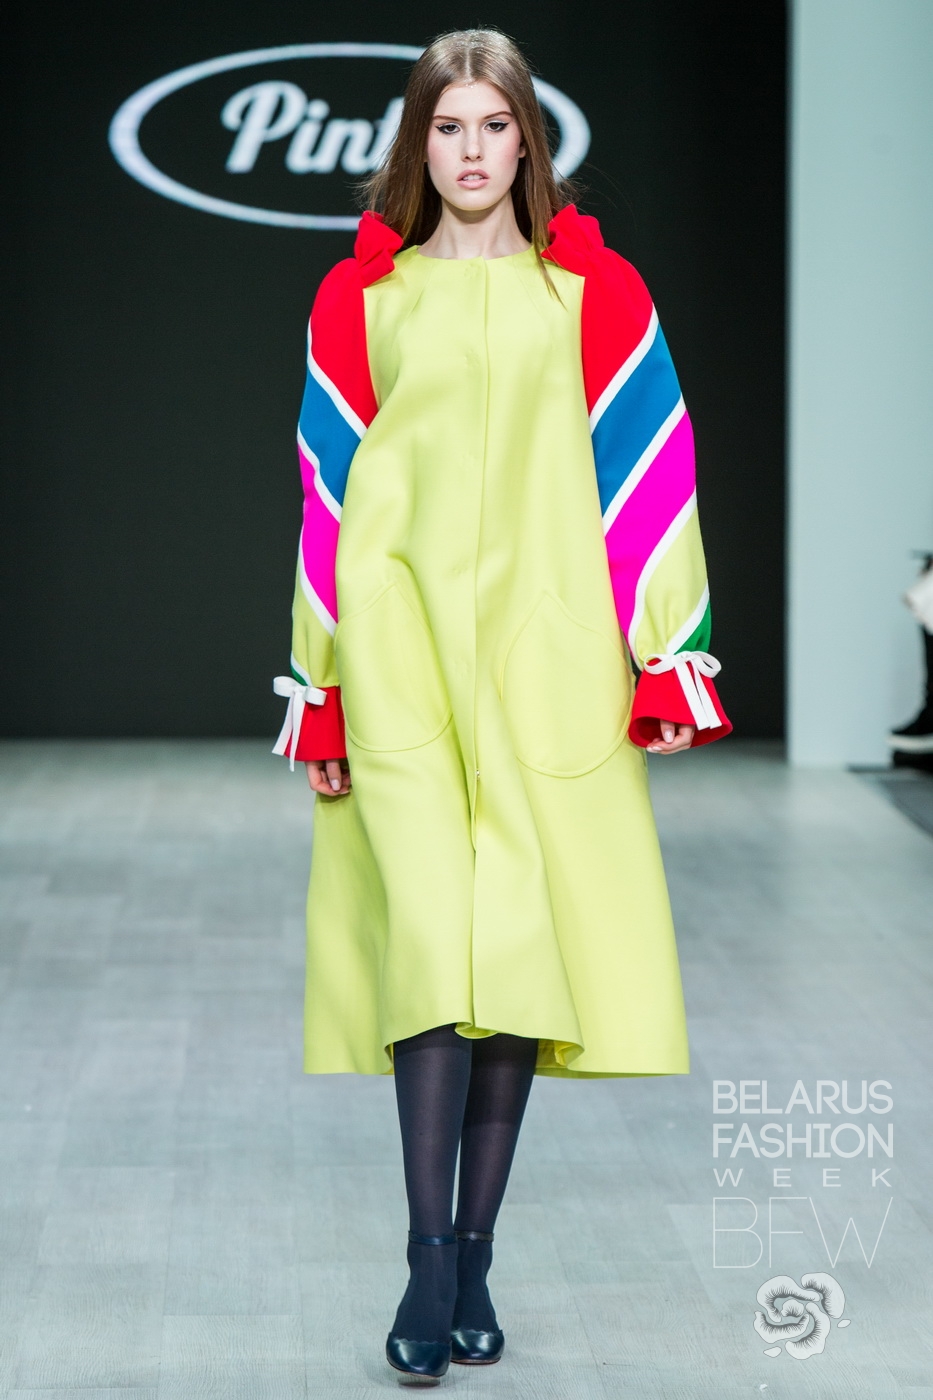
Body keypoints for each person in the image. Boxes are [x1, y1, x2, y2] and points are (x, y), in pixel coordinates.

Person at [272, 28, 731, 1384]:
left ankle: (476, 1251)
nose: (470, 149)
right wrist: (321, 683)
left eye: (492, 124)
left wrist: (667, 652)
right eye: (446, 125)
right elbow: (324, 493)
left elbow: (651, 476)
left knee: (515, 953)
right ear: (417, 144)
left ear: (527, 138)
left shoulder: (595, 294)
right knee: (431, 942)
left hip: (551, 655)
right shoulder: (362, 299)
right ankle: (428, 1264)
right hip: (402, 648)